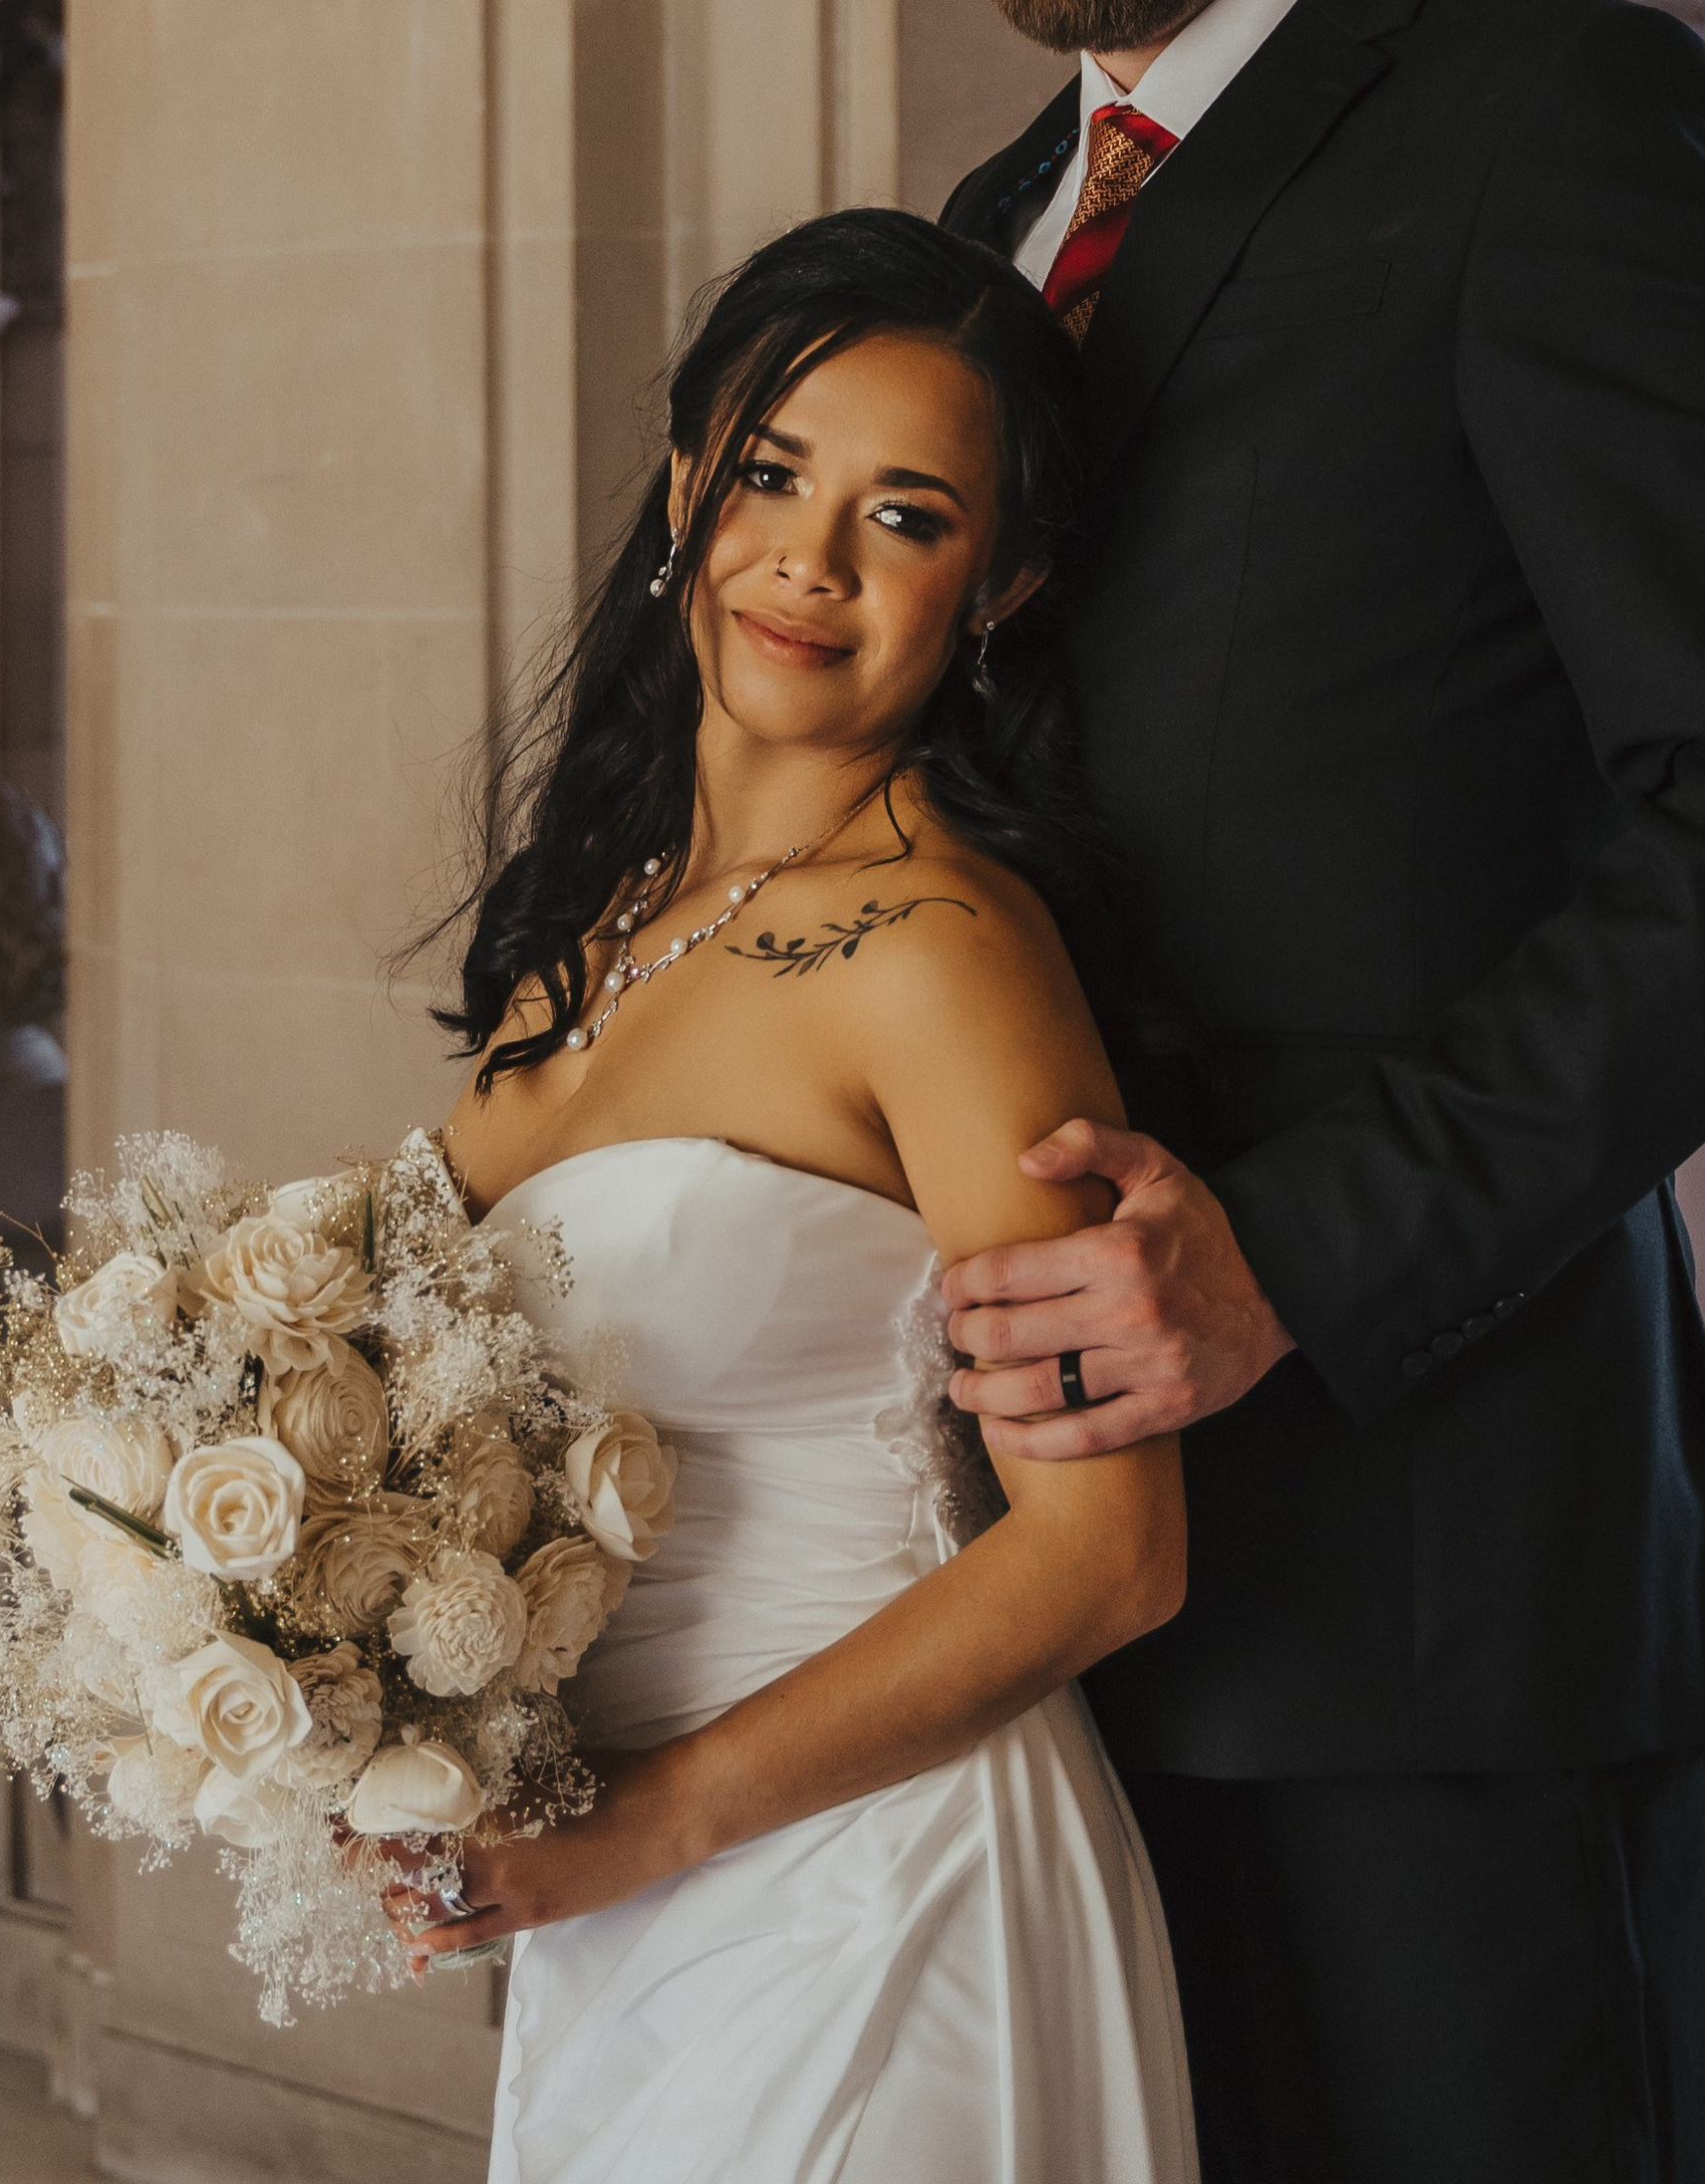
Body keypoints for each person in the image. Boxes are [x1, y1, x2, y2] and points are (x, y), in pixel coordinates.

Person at [908, 0, 1705, 2184]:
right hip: (1029, 1592)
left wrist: (1292, 1265)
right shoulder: (986, 221)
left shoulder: (1554, 124)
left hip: (1427, 1599)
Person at [399, 207, 1199, 2182]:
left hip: (877, 1889)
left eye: (904, 517)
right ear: (687, 488)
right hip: (619, 1910)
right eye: (768, 473)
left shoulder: (942, 957)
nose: (807, 561)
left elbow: (1110, 1554)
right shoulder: (580, 927)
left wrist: (648, 1821)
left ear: (996, 581)